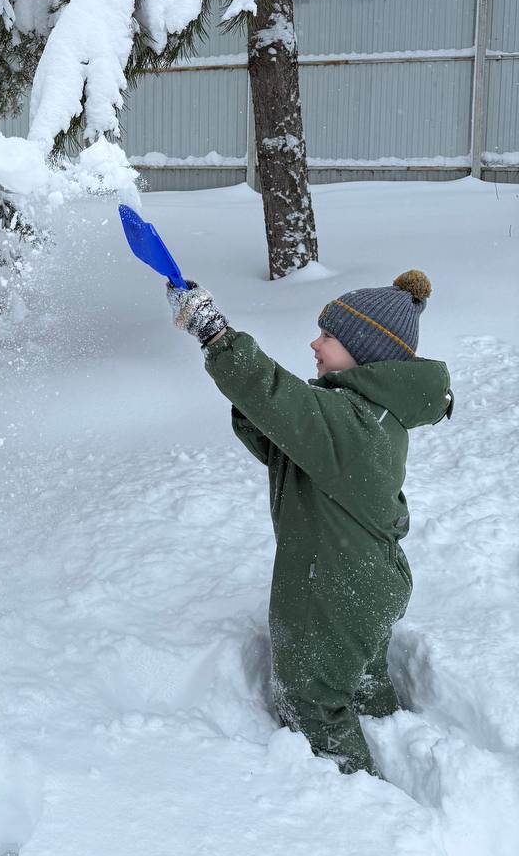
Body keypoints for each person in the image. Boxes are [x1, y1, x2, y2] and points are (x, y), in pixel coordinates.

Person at [166, 269, 453, 777]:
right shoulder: (368, 414)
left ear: (364, 352)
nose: (314, 343)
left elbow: (282, 400)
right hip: (368, 580)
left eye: (329, 336)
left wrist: (215, 334)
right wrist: (256, 405)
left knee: (313, 698)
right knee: (360, 678)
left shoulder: (351, 421)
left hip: (334, 586)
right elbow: (286, 437)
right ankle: (394, 732)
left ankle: (354, 801)